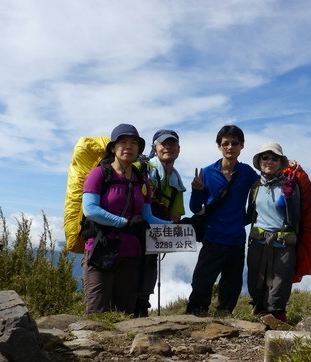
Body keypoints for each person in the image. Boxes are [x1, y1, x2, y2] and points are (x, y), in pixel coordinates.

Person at [81, 123, 170, 315]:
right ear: (113, 147)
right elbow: (90, 209)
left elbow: (147, 217)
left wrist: (178, 225)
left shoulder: (141, 179)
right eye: (123, 142)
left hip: (131, 254)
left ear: (139, 148)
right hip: (101, 252)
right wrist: (125, 222)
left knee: (124, 313)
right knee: (97, 313)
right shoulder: (99, 174)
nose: (128, 146)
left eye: (133, 142)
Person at [185, 125, 259, 316]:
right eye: (225, 143)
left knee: (232, 283)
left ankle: (224, 314)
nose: (230, 147)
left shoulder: (247, 172)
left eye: (235, 143)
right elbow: (195, 208)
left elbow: (263, 187)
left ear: (242, 146)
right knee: (202, 279)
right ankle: (196, 312)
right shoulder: (208, 173)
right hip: (213, 236)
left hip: (236, 238)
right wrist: (197, 190)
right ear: (219, 146)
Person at [246, 142, 303, 324]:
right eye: (265, 157)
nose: (269, 161)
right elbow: (251, 213)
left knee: (280, 283)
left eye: (274, 158)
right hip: (258, 241)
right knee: (256, 279)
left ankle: (276, 316)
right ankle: (260, 312)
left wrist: (288, 198)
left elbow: (295, 219)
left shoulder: (290, 185)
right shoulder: (255, 187)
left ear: (281, 162)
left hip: (283, 242)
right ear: (260, 161)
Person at [136, 129, 187, 317]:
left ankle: (141, 309)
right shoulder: (143, 169)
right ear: (154, 147)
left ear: (179, 149)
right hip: (137, 230)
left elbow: (176, 214)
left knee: (148, 271)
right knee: (137, 271)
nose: (168, 147)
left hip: (155, 232)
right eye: (163, 144)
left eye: (172, 144)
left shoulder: (176, 179)